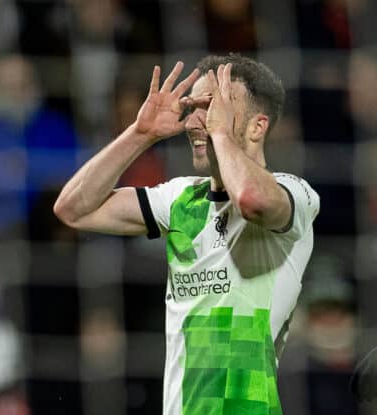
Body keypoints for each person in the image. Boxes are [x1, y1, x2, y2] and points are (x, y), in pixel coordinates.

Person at [54, 54, 320, 414]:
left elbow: (251, 200)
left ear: (258, 128)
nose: (195, 122)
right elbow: (73, 210)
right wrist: (140, 134)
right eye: (193, 107)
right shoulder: (180, 198)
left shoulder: (295, 194)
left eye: (212, 108)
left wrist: (221, 133)